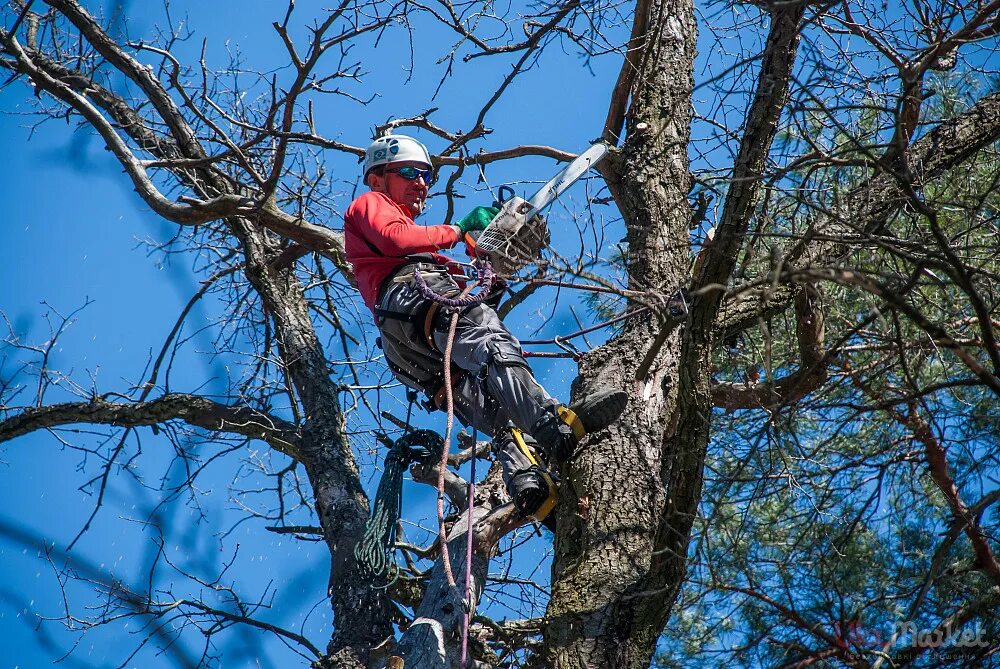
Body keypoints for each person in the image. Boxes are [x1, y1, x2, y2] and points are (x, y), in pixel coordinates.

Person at [344, 133, 627, 521]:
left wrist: (494, 268)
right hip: (413, 299)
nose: (421, 183)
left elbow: (465, 298)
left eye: (426, 175)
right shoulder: (370, 205)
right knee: (491, 339)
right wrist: (460, 230)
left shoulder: (421, 255)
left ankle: (530, 486)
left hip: (410, 348)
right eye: (409, 172)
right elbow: (397, 239)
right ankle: (549, 422)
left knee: (497, 405)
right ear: (378, 178)